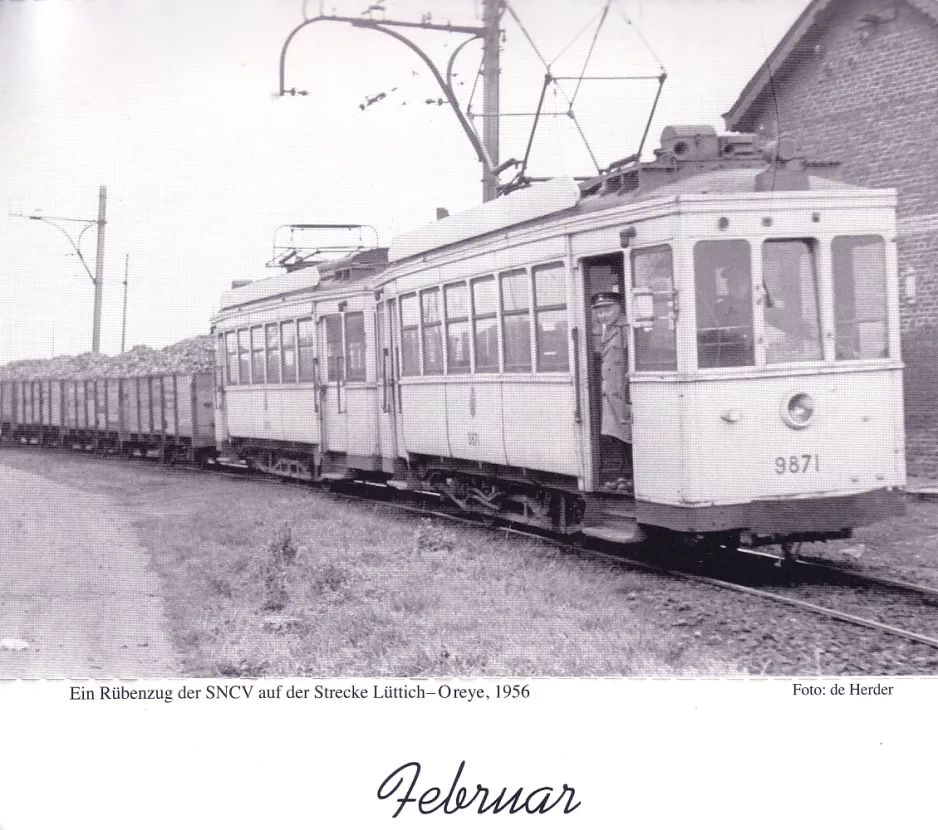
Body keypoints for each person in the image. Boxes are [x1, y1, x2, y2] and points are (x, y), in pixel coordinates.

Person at [592, 291, 632, 492]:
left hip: (621, 392)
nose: (603, 316)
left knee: (626, 434)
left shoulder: (625, 329)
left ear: (618, 308)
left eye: (607, 310)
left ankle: (628, 476)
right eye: (599, 312)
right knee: (615, 435)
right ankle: (620, 476)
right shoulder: (607, 330)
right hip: (610, 392)